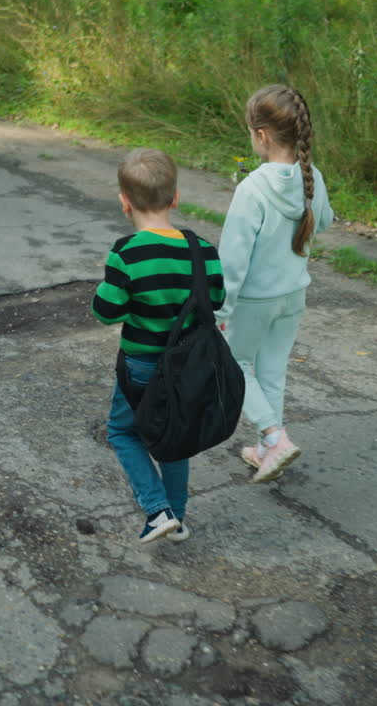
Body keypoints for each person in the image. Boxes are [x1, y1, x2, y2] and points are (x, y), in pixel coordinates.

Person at [93, 148, 226, 543]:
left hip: (141, 366)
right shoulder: (202, 250)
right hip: (188, 367)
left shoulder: (126, 253)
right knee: (174, 437)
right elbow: (216, 299)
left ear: (124, 202)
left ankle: (157, 509)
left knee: (122, 432)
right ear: (176, 197)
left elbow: (106, 311)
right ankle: (178, 517)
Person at [216, 84, 334, 483]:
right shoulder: (311, 176)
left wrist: (221, 309)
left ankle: (273, 436)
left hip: (254, 299)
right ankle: (270, 450)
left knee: (233, 364)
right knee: (271, 370)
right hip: (293, 294)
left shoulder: (252, 189)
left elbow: (233, 259)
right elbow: (327, 220)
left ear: (262, 136)